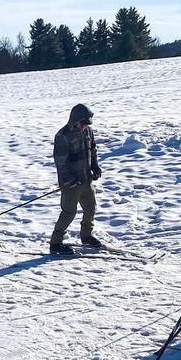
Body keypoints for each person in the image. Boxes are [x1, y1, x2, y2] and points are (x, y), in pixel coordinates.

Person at [49, 103, 104, 255]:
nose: (85, 126)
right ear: (75, 120)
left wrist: (96, 168)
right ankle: (55, 243)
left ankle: (86, 236)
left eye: (88, 123)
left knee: (90, 209)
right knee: (68, 213)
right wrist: (70, 180)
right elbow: (61, 163)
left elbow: (93, 152)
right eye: (83, 123)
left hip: (86, 180)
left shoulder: (88, 132)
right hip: (71, 185)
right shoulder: (62, 136)